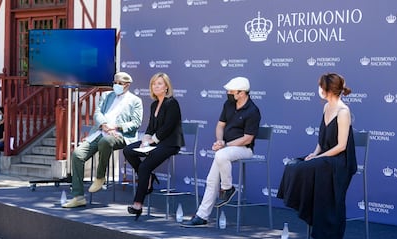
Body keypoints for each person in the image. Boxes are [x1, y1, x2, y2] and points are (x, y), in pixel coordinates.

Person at [277, 73, 357, 239]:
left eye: (321, 86)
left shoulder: (343, 112)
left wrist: (319, 158)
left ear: (327, 89)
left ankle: (318, 221)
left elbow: (342, 146)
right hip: (325, 157)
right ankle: (304, 207)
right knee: (294, 164)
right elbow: (322, 141)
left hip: (340, 162)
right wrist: (314, 154)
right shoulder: (326, 107)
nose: (319, 89)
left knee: (306, 167)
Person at [182, 76, 261, 227]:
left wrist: (226, 145)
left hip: (244, 150)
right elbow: (220, 126)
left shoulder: (253, 110)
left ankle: (227, 188)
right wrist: (220, 141)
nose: (229, 93)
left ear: (242, 93)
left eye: (232, 91)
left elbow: (247, 139)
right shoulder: (228, 105)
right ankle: (202, 216)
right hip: (226, 149)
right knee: (211, 179)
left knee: (221, 154)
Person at [62, 72, 143, 208]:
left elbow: (135, 123)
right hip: (100, 131)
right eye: (115, 82)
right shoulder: (106, 96)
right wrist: (104, 125)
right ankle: (78, 196)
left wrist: (116, 127)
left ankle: (100, 177)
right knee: (77, 154)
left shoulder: (135, 101)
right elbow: (97, 113)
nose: (116, 85)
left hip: (120, 135)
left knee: (105, 142)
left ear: (127, 85)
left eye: (120, 83)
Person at [123, 72, 184, 220]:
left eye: (159, 84)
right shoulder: (154, 104)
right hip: (155, 142)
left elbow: (168, 127)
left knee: (144, 167)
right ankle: (148, 178)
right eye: (154, 84)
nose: (156, 86)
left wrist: (153, 140)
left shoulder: (172, 103)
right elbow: (151, 126)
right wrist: (146, 138)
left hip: (170, 143)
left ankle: (138, 204)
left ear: (166, 87)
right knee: (128, 150)